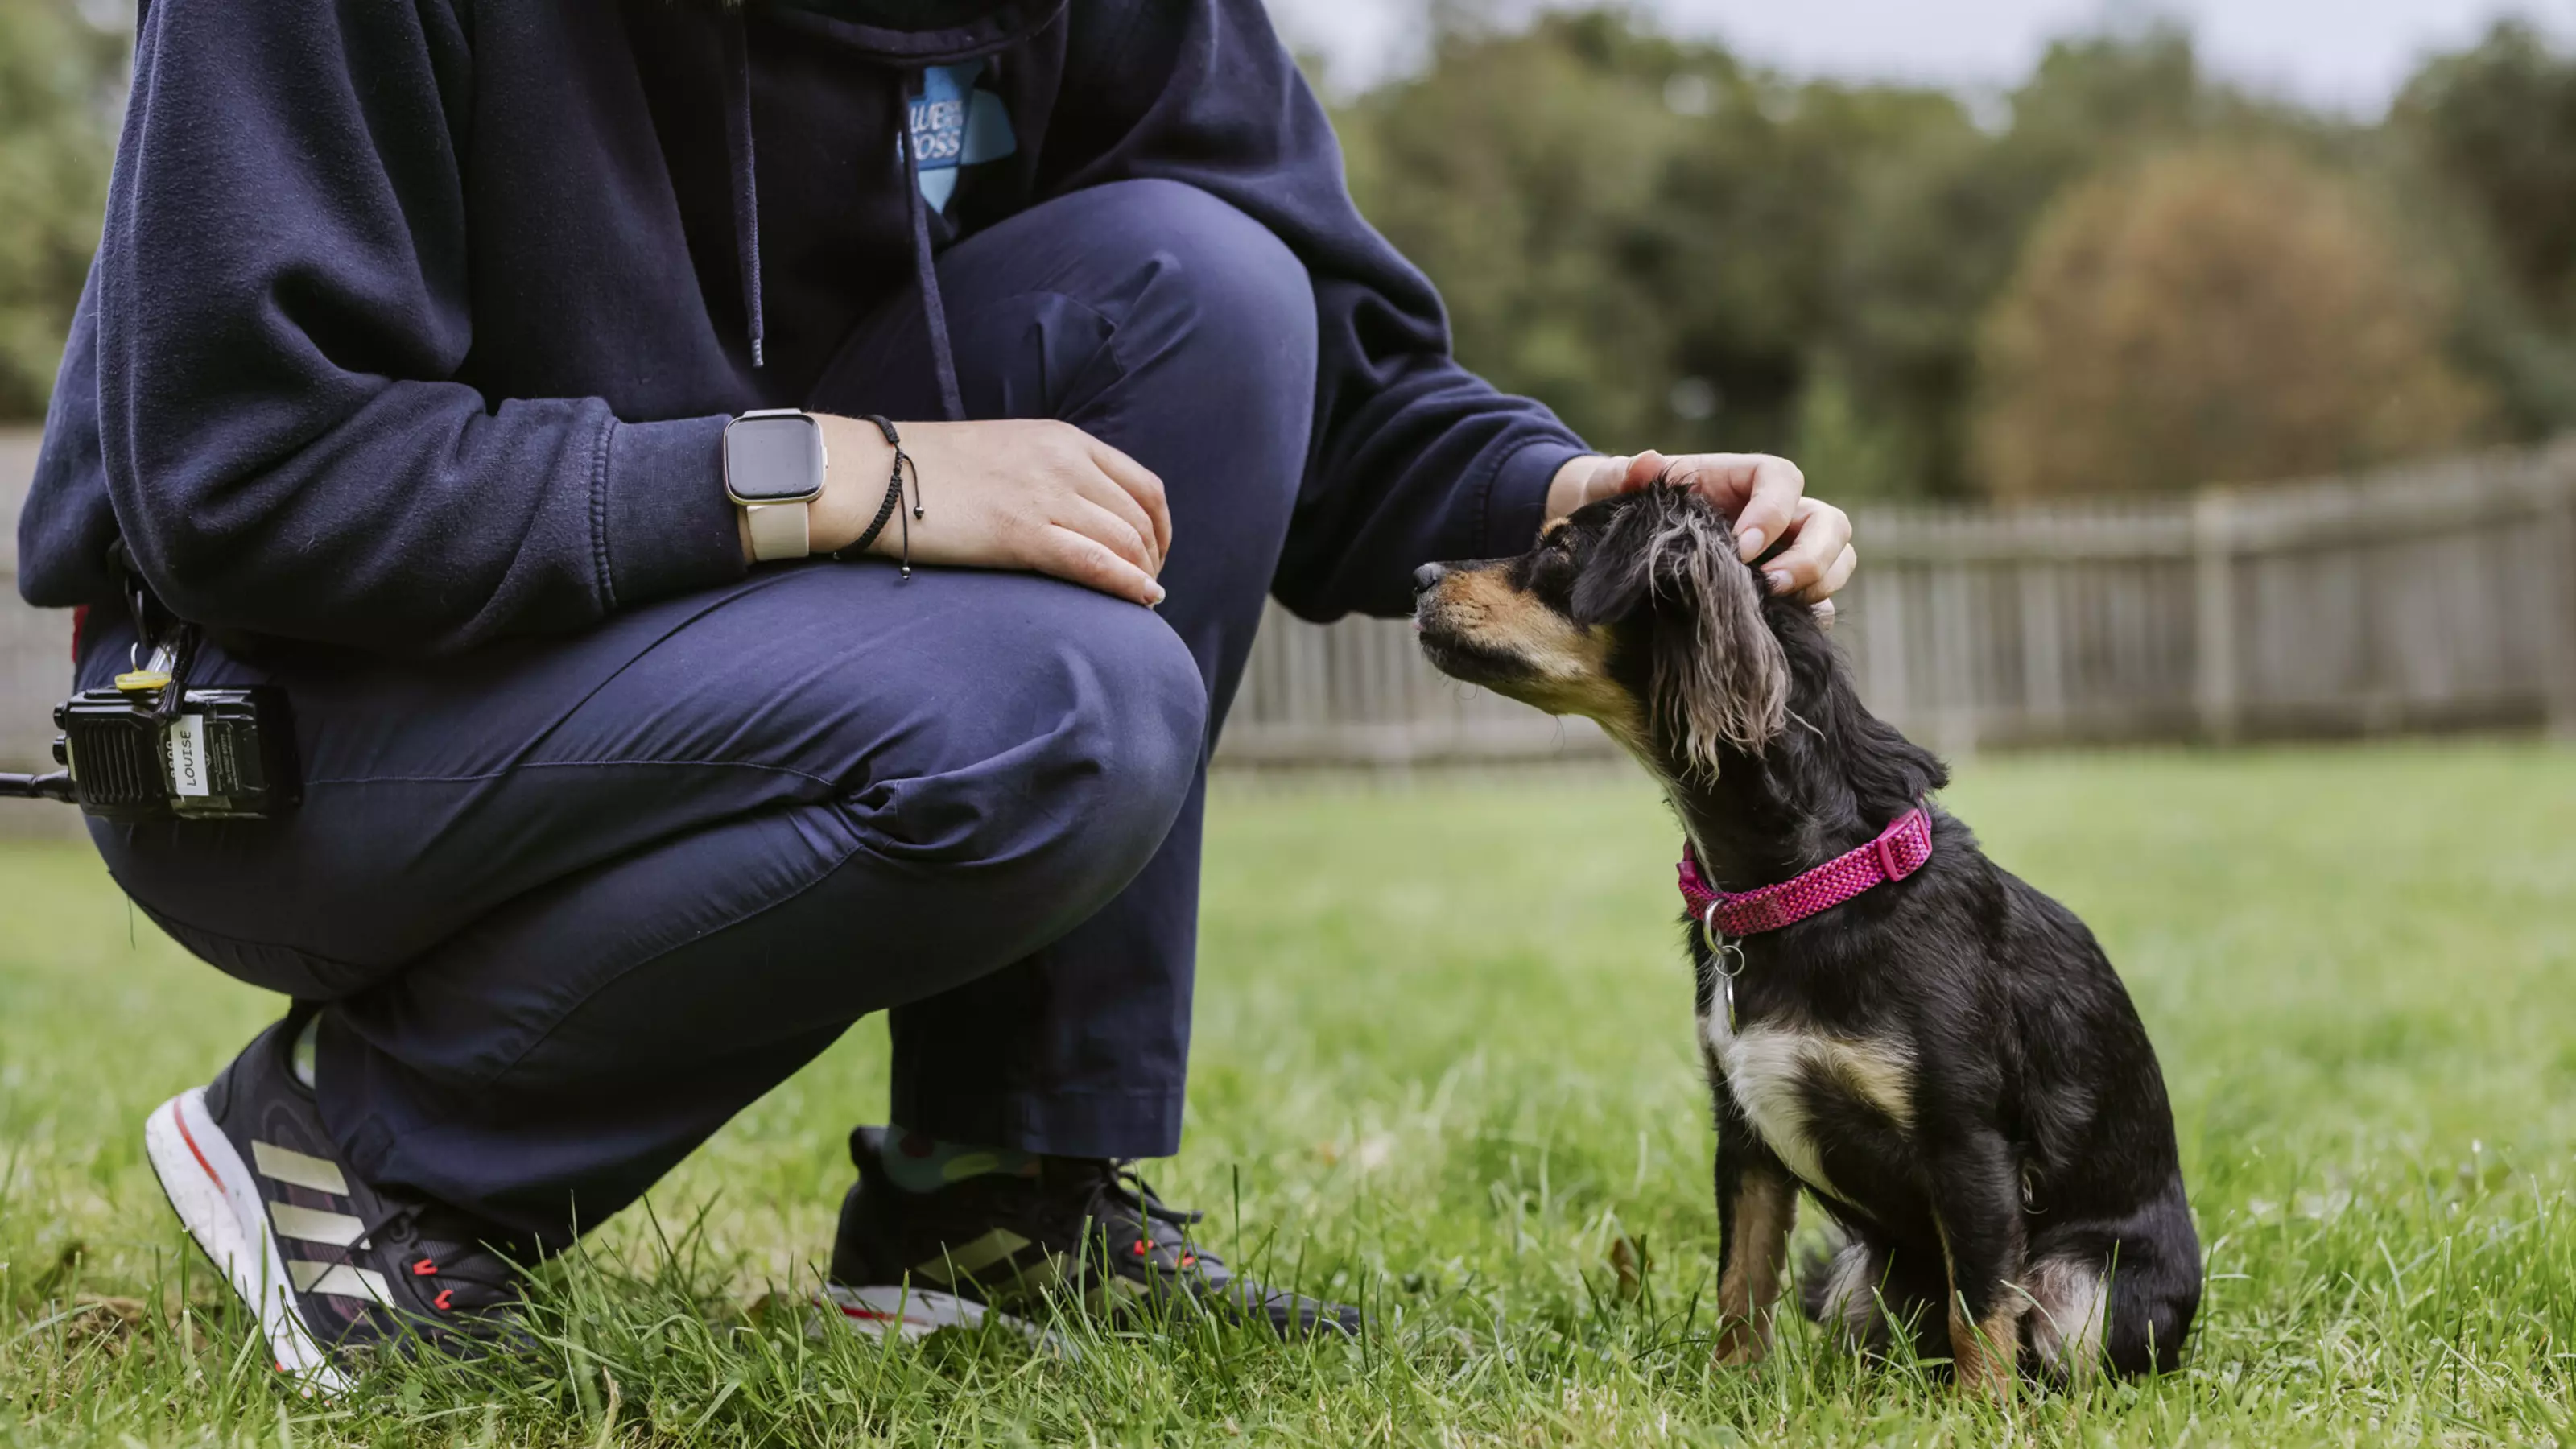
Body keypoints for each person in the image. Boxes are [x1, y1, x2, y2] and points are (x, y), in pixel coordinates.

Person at [14, 0, 1856, 1377]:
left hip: (697, 629)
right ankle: (368, 1149)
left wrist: (1568, 501)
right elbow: (254, 473)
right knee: (1067, 708)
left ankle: (993, 1195)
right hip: (297, 725)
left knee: (1206, 287)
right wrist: (832, 471)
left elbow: (1320, 381)